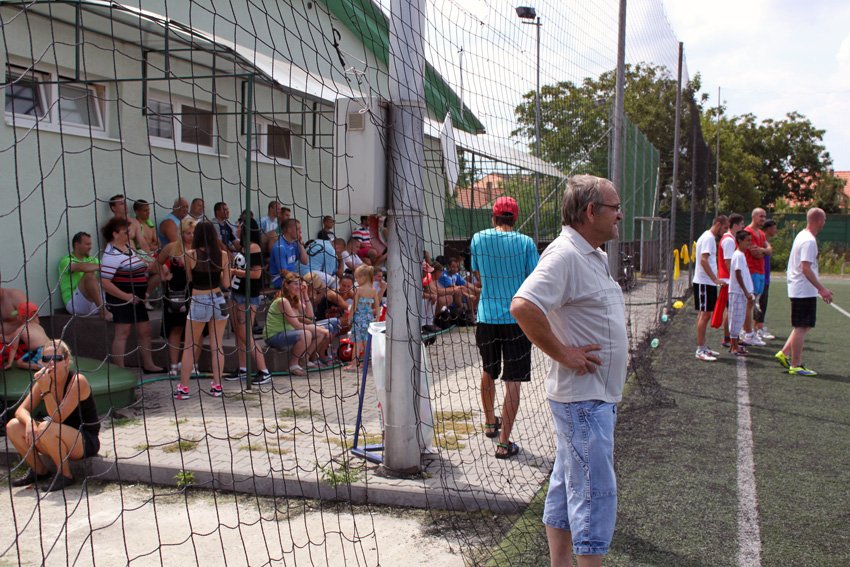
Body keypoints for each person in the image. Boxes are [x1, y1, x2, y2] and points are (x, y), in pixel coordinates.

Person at [510, 175, 627, 566]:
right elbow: (523, 305)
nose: (619, 215)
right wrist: (564, 353)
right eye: (614, 208)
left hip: (593, 399)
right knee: (594, 496)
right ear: (591, 211)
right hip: (584, 402)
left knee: (566, 490)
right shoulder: (564, 255)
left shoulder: (593, 254)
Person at [470, 195, 539, 459]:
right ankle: (504, 442)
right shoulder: (526, 243)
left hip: (486, 317)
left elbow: (478, 272)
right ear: (516, 217)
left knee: (488, 370)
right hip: (516, 319)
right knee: (514, 381)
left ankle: (490, 422)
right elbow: (533, 278)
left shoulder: (478, 238)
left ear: (494, 216)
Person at [6, 339, 100, 492]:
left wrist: (46, 390)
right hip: (55, 436)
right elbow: (20, 410)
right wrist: (29, 422)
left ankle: (65, 474)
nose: (51, 363)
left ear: (66, 361)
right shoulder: (44, 380)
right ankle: (39, 471)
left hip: (84, 440)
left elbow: (57, 418)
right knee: (13, 426)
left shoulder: (77, 381)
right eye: (46, 359)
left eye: (56, 358)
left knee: (46, 427)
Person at [173, 221, 231, 399]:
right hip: (218, 299)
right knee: (217, 346)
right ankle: (217, 386)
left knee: (190, 346)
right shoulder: (222, 255)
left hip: (199, 299)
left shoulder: (190, 254)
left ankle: (183, 388)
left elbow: (190, 279)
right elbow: (226, 283)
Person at [99, 217, 162, 373]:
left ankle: (149, 365)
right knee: (123, 332)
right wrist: (125, 296)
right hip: (122, 298)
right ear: (115, 234)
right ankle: (119, 369)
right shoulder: (111, 255)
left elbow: (140, 263)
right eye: (126, 232)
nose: (130, 234)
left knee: (145, 331)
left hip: (137, 298)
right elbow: (105, 282)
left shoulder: (128, 247)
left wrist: (150, 265)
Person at [775, 208, 833, 376]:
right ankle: (796, 365)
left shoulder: (802, 235)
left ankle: (784, 353)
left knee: (804, 325)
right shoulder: (809, 240)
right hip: (802, 289)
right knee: (801, 326)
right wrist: (822, 289)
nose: (824, 223)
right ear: (819, 220)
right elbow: (805, 268)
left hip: (801, 288)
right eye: (824, 220)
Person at [226, 218, 273, 386]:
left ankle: (263, 370)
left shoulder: (254, 248)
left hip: (247, 296)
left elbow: (256, 274)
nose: (237, 228)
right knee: (239, 334)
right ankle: (242, 368)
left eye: (239, 226)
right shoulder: (243, 247)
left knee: (246, 334)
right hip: (236, 292)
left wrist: (233, 271)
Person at [264, 273, 330, 376]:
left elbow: (310, 316)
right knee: (307, 334)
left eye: (300, 284)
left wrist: (305, 294)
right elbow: (297, 325)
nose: (298, 287)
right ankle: (293, 365)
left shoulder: (294, 299)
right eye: (295, 284)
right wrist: (320, 329)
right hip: (274, 336)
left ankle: (304, 359)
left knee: (319, 333)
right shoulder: (282, 301)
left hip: (288, 333)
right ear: (286, 285)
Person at [157, 217, 197, 378]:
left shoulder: (199, 248)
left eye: (193, 233)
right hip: (176, 293)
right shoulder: (172, 247)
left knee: (196, 330)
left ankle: (193, 364)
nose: (191, 236)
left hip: (195, 291)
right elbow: (157, 263)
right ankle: (174, 365)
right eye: (188, 233)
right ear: (181, 233)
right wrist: (165, 276)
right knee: (176, 328)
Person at [692, 215, 728, 361]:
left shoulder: (709, 237)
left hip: (707, 282)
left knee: (704, 314)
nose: (724, 231)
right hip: (704, 282)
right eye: (724, 228)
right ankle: (700, 349)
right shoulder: (708, 238)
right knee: (705, 315)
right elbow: (703, 260)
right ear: (718, 224)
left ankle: (703, 346)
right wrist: (714, 279)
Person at [57, 231, 111, 320]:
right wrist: (103, 266)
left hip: (93, 304)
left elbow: (108, 268)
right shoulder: (66, 260)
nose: (90, 247)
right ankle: (103, 312)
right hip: (75, 305)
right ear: (77, 245)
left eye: (90, 244)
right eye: (87, 244)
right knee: (89, 275)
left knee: (110, 276)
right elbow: (81, 267)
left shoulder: (92, 260)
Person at [711, 213, 745, 346]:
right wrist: (736, 278)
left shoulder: (730, 239)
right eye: (741, 224)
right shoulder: (729, 240)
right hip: (728, 280)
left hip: (728, 279)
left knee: (731, 310)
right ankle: (728, 337)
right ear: (735, 225)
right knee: (732, 310)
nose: (743, 227)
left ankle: (730, 337)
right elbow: (728, 262)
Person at [742, 207, 770, 345]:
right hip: (751, 271)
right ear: (754, 217)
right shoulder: (748, 232)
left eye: (764, 216)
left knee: (754, 303)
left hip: (760, 271)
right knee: (749, 303)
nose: (763, 219)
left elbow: (768, 250)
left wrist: (763, 250)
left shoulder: (762, 233)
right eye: (761, 216)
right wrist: (764, 251)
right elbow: (755, 253)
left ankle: (750, 332)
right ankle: (746, 333)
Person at [347, 264, 380, 371]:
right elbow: (377, 306)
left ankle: (354, 364)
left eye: (357, 278)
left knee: (357, 342)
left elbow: (354, 306)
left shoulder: (358, 290)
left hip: (358, 319)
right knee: (367, 342)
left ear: (364, 277)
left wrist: (349, 317)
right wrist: (377, 318)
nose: (356, 280)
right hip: (368, 319)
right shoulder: (373, 290)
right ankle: (367, 363)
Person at [728, 230, 756, 357]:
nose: (749, 243)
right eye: (747, 240)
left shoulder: (741, 255)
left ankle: (734, 345)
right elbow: (738, 274)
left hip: (741, 292)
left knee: (738, 319)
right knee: (736, 319)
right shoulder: (738, 255)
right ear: (739, 241)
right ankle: (734, 346)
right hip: (738, 292)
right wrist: (745, 291)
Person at [754, 219, 778, 340]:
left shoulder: (765, 241)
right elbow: (765, 251)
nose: (776, 230)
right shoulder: (761, 240)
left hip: (765, 276)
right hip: (760, 276)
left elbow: (769, 250)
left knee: (762, 302)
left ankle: (757, 328)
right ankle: (758, 329)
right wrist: (766, 250)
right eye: (774, 228)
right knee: (760, 303)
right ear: (768, 228)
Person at [269, 219, 308, 288]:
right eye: (298, 229)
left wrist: (300, 243)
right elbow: (283, 272)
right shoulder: (280, 247)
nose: (300, 231)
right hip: (279, 279)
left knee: (314, 280)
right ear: (289, 230)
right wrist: (298, 277)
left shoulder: (294, 243)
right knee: (305, 285)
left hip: (292, 277)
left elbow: (305, 261)